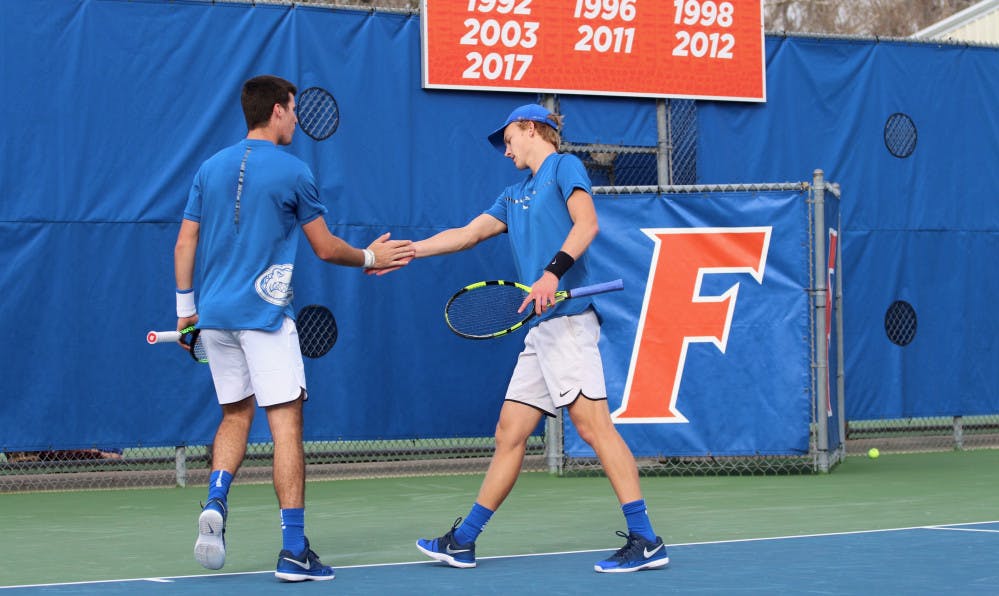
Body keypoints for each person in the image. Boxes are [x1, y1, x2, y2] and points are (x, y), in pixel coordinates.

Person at [382, 104, 668, 572]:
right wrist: (412, 250)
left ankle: (646, 538)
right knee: (509, 433)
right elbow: (469, 234)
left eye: (509, 138)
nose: (506, 149)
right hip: (541, 332)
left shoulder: (563, 167)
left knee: (594, 427)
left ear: (531, 129)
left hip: (570, 321)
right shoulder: (514, 195)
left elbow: (587, 224)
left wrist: (552, 274)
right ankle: (464, 540)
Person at [173, 75, 414, 582]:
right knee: (286, 428)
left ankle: (217, 497)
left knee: (235, 417)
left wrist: (185, 310)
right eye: (294, 109)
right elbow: (326, 248)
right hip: (265, 318)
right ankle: (293, 551)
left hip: (213, 317)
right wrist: (373, 255)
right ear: (278, 110)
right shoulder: (294, 171)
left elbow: (184, 243)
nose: (298, 118)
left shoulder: (209, 168)